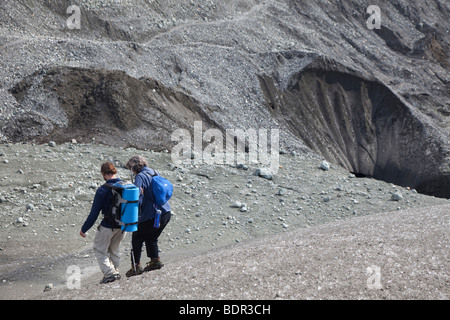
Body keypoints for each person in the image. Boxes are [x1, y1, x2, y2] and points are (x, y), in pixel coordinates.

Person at [125, 155, 171, 277]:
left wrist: (133, 213)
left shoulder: (140, 176)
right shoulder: (154, 172)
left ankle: (136, 266)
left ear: (133, 168)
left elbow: (137, 196)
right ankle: (155, 260)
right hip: (165, 212)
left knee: (137, 237)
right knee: (151, 237)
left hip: (152, 214)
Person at [80, 162, 125, 284]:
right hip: (123, 225)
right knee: (114, 249)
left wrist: (84, 229)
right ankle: (115, 271)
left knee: (99, 249)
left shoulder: (102, 190)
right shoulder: (127, 186)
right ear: (114, 172)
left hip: (107, 226)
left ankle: (110, 274)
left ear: (104, 174)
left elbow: (94, 213)